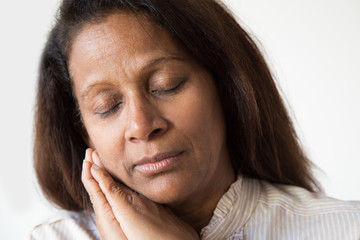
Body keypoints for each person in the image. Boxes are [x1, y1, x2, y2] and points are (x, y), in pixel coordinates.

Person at [31, 0, 360, 239]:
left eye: (166, 85)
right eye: (107, 106)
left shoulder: (345, 229)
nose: (142, 126)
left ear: (227, 88)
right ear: (83, 131)